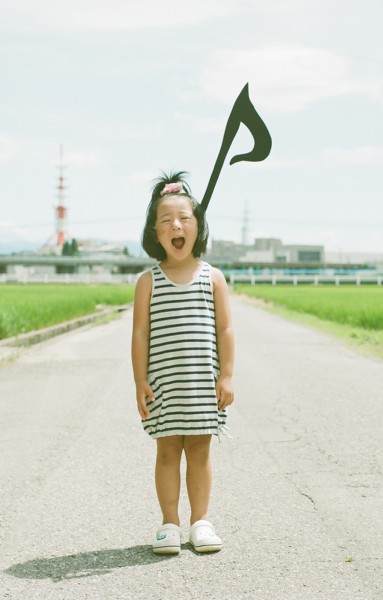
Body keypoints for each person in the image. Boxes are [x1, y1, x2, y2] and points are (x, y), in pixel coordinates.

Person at [131, 171, 235, 555]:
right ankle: (169, 523)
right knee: (167, 452)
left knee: (201, 452)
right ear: (154, 234)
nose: (176, 225)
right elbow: (140, 334)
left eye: (185, 219)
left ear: (198, 228)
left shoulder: (213, 277)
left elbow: (225, 330)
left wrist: (226, 376)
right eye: (165, 220)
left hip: (201, 384)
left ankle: (201, 522)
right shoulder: (149, 281)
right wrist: (140, 381)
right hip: (165, 385)